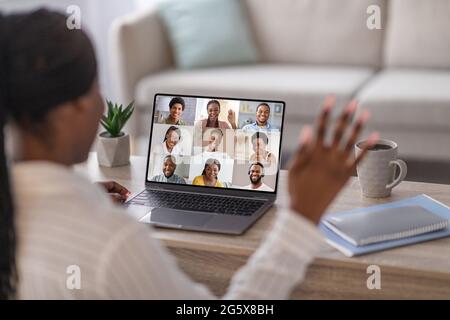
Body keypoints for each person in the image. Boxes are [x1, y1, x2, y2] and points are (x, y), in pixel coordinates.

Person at [0, 9, 377, 299]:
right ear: (74, 106)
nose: (103, 104)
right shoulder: (112, 245)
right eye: (97, 86)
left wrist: (80, 199)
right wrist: (300, 219)